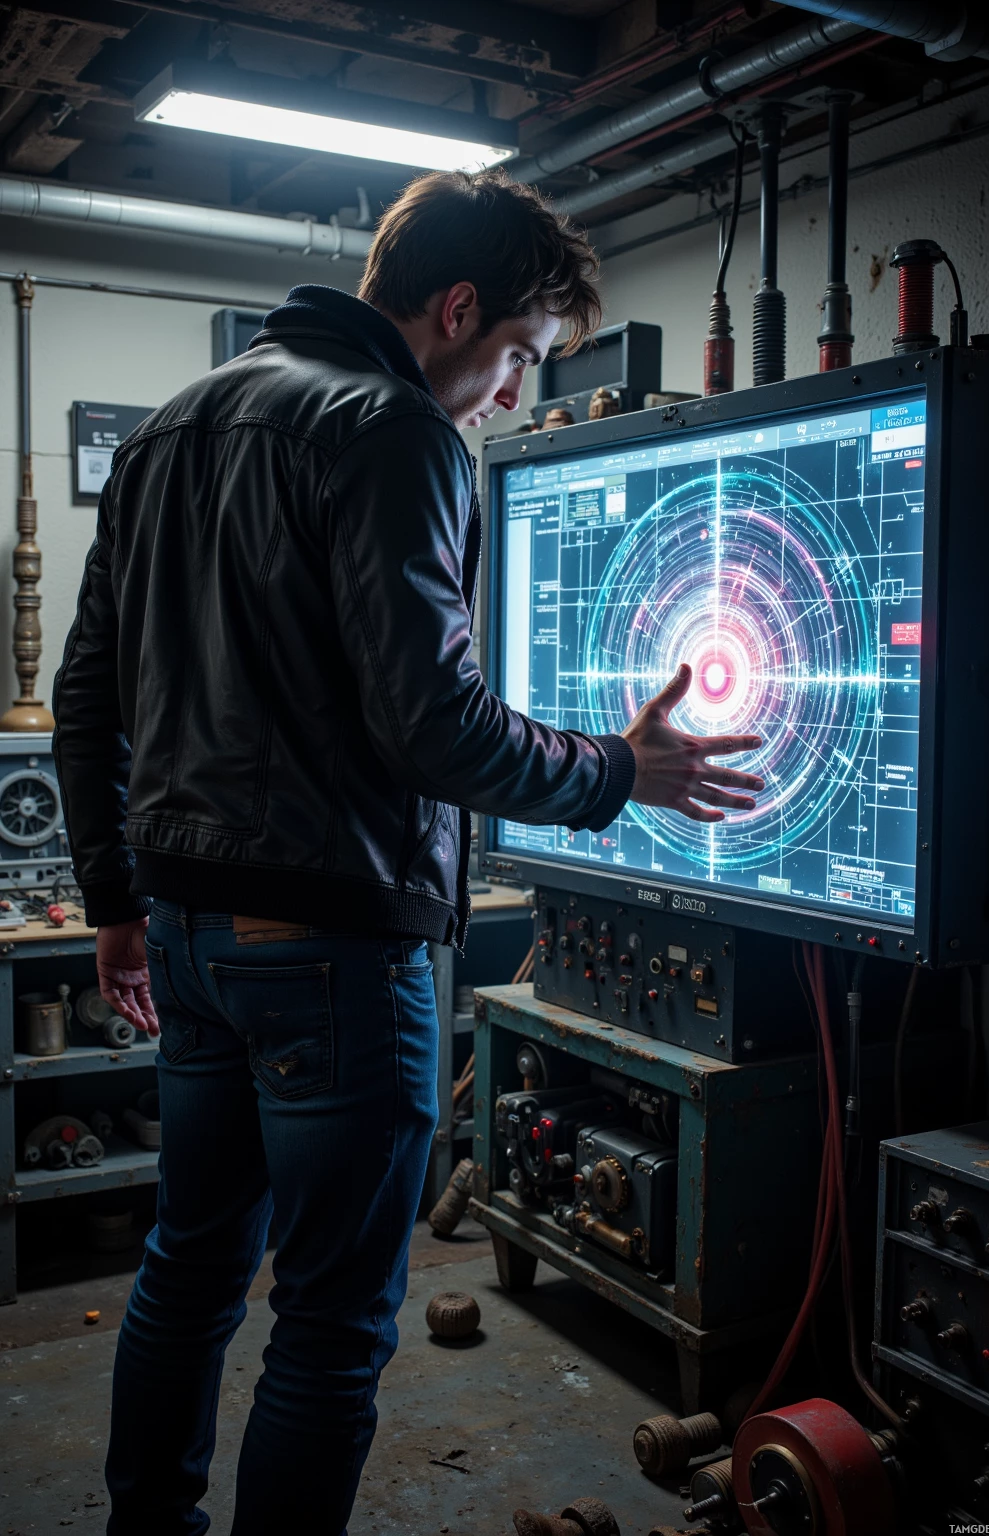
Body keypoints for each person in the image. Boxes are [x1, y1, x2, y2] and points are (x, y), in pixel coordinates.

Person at [52, 167, 764, 1536]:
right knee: (329, 1324)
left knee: (188, 1271)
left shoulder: (166, 430)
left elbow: (88, 694)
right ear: (458, 308)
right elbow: (436, 729)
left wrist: (115, 900)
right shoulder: (395, 430)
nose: (510, 392)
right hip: (331, 951)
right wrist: (620, 769)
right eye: (521, 354)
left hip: (189, 937)